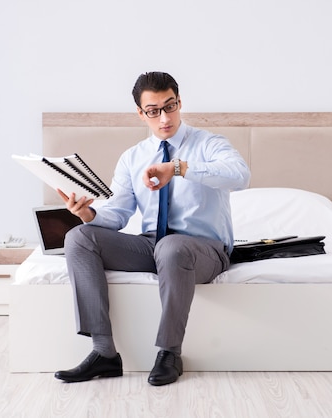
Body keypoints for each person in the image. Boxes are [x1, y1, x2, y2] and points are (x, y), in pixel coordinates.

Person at [54, 71, 251, 386]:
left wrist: (178, 168)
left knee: (172, 248)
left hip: (204, 249)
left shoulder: (209, 143)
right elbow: (118, 214)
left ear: (179, 102)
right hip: (152, 246)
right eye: (153, 111)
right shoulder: (132, 158)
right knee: (78, 237)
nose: (164, 118)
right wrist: (89, 214)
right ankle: (104, 353)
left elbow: (240, 176)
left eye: (169, 106)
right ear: (140, 113)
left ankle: (169, 352)